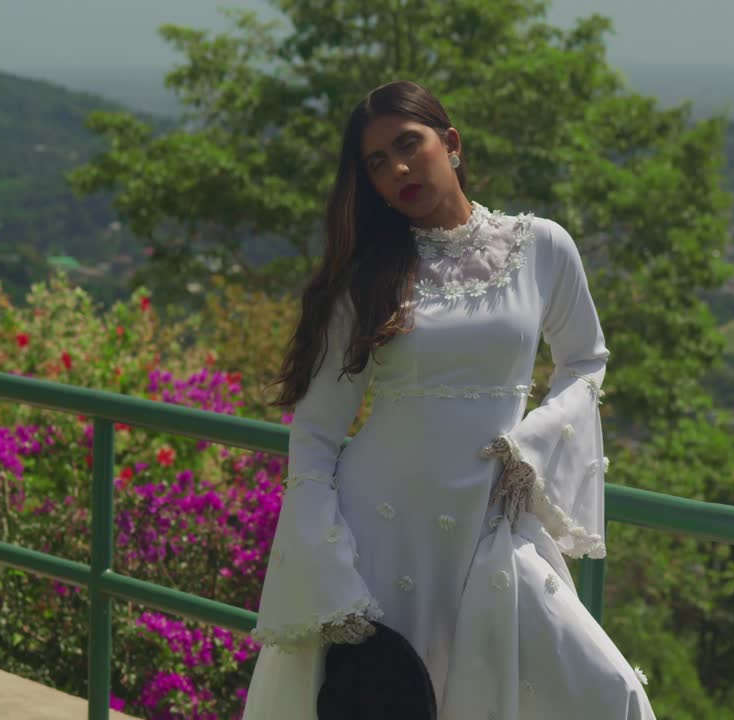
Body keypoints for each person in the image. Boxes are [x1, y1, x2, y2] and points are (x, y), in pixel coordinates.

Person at [239, 80, 654, 720]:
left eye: (409, 145)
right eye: (377, 162)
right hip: (380, 535)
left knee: (609, 693)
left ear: (451, 143)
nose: (398, 169)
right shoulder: (365, 278)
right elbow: (317, 432)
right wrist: (324, 566)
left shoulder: (542, 245)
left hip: (494, 525)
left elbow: (585, 360)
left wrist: (532, 447)